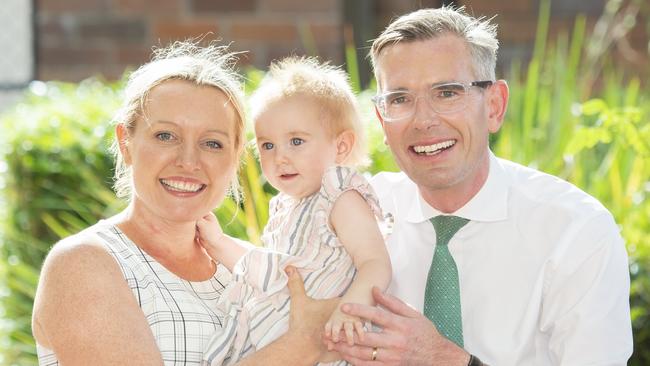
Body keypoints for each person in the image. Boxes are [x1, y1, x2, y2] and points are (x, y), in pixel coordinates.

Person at [328, 6, 633, 366]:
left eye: (447, 93)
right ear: (381, 118)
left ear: (494, 106)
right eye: (400, 99)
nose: (423, 120)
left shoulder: (575, 230)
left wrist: (447, 360)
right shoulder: (354, 213)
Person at [31, 41, 339, 366]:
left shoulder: (245, 267)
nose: (188, 161)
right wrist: (303, 344)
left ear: (236, 158)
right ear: (126, 143)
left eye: (212, 143)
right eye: (166, 136)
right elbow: (306, 341)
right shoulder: (85, 263)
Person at [195, 56, 392, 365]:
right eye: (267, 145)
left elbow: (375, 262)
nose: (280, 157)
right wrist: (218, 244)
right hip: (283, 343)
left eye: (296, 141)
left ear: (340, 147)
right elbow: (276, 273)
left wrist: (350, 309)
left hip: (331, 343)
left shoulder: (340, 198)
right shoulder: (285, 206)